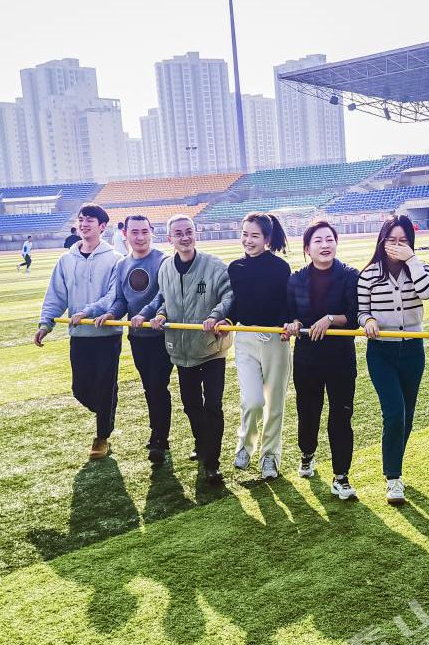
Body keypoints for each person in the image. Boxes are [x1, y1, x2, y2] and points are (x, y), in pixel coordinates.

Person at [136, 215, 233, 485]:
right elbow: (166, 300)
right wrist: (160, 314)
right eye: (178, 233)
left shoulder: (214, 266)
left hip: (211, 349)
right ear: (170, 238)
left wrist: (216, 316)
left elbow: (228, 295)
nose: (185, 237)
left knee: (212, 406)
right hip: (181, 351)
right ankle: (201, 444)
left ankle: (212, 463)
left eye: (189, 231)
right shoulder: (166, 267)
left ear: (196, 233)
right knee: (191, 406)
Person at [34, 203, 124, 461]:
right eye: (81, 219)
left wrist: (88, 311)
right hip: (79, 336)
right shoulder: (66, 260)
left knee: (105, 386)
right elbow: (56, 295)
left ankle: (102, 437)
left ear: (102, 227)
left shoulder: (115, 259)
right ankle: (107, 405)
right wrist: (45, 324)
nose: (84, 224)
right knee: (80, 389)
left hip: (107, 335)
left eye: (90, 221)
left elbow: (114, 296)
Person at [358, 215, 429, 506]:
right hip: (381, 352)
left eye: (403, 240)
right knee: (394, 413)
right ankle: (393, 477)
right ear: (382, 241)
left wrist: (412, 259)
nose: (397, 245)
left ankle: (394, 463)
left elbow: (427, 292)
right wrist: (367, 320)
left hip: (413, 350)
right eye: (391, 240)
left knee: (407, 415)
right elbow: (361, 311)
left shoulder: (420, 267)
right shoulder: (368, 275)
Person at [282, 220, 361, 500]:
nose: (325, 245)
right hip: (307, 358)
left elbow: (354, 316)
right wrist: (293, 323)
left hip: (340, 358)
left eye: (330, 239)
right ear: (307, 248)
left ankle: (341, 477)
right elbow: (290, 313)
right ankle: (307, 454)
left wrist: (329, 319)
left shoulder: (350, 275)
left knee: (341, 415)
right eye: (318, 241)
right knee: (308, 411)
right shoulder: (296, 278)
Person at [85, 215, 173, 464]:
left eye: (144, 231)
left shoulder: (163, 261)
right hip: (137, 337)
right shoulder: (122, 264)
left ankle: (159, 438)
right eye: (135, 232)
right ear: (125, 234)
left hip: (161, 336)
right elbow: (122, 300)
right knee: (149, 387)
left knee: (157, 386)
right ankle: (158, 432)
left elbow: (165, 296)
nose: (140, 237)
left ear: (151, 232)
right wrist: (111, 314)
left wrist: (148, 314)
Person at [227, 212, 292, 479]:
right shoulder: (235, 267)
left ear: (267, 239)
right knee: (252, 401)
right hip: (245, 339)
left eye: (255, 235)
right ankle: (245, 445)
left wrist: (287, 323)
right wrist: (225, 320)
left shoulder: (281, 268)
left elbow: (287, 303)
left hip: (275, 340)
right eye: (245, 234)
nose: (248, 240)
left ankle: (270, 456)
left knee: (274, 403)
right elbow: (234, 303)